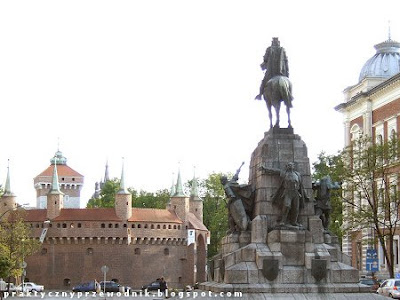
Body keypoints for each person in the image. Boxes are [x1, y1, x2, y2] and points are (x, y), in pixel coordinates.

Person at [262, 162, 309, 227]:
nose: (290, 166)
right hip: (287, 192)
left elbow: (301, 186)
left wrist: (306, 196)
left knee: (296, 208)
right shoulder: (284, 173)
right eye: (288, 165)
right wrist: (265, 168)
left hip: (296, 193)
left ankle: (294, 222)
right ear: (286, 167)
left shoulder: (297, 174)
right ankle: (283, 221)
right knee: (287, 206)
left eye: (291, 165)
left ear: (293, 166)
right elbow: (274, 171)